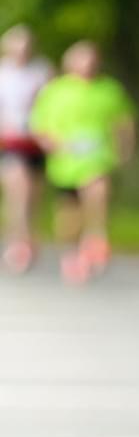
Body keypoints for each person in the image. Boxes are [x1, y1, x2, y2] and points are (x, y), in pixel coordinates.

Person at [27, 42, 135, 282]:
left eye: (91, 60)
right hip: (65, 164)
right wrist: (52, 144)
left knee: (97, 188)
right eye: (81, 60)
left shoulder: (109, 89)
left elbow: (124, 121)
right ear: (69, 63)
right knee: (69, 215)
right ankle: (71, 254)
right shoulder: (55, 91)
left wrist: (124, 150)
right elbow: (38, 125)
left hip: (97, 157)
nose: (87, 65)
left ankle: (96, 238)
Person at [0, 24, 53, 274]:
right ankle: (17, 242)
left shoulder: (42, 71)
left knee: (32, 195)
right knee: (17, 189)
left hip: (37, 140)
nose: (21, 51)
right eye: (16, 46)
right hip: (9, 140)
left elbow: (53, 104)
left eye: (26, 46)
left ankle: (29, 237)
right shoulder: (2, 73)